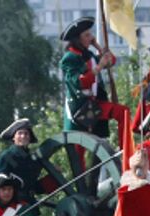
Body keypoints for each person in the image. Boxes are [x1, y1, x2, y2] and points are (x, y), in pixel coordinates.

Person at [60, 16, 130, 147]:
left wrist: (97, 46)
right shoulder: (69, 58)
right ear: (77, 39)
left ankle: (124, 151)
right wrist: (99, 67)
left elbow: (111, 61)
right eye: (87, 35)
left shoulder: (89, 55)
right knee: (78, 157)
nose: (90, 38)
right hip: (80, 110)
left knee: (123, 112)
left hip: (94, 106)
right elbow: (79, 83)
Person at [0, 118, 56, 216]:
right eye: (20, 133)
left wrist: (53, 177)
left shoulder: (31, 161)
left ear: (30, 138)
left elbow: (34, 187)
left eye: (26, 134)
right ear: (14, 138)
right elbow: (0, 184)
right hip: (12, 209)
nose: (23, 136)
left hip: (30, 207)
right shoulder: (5, 157)